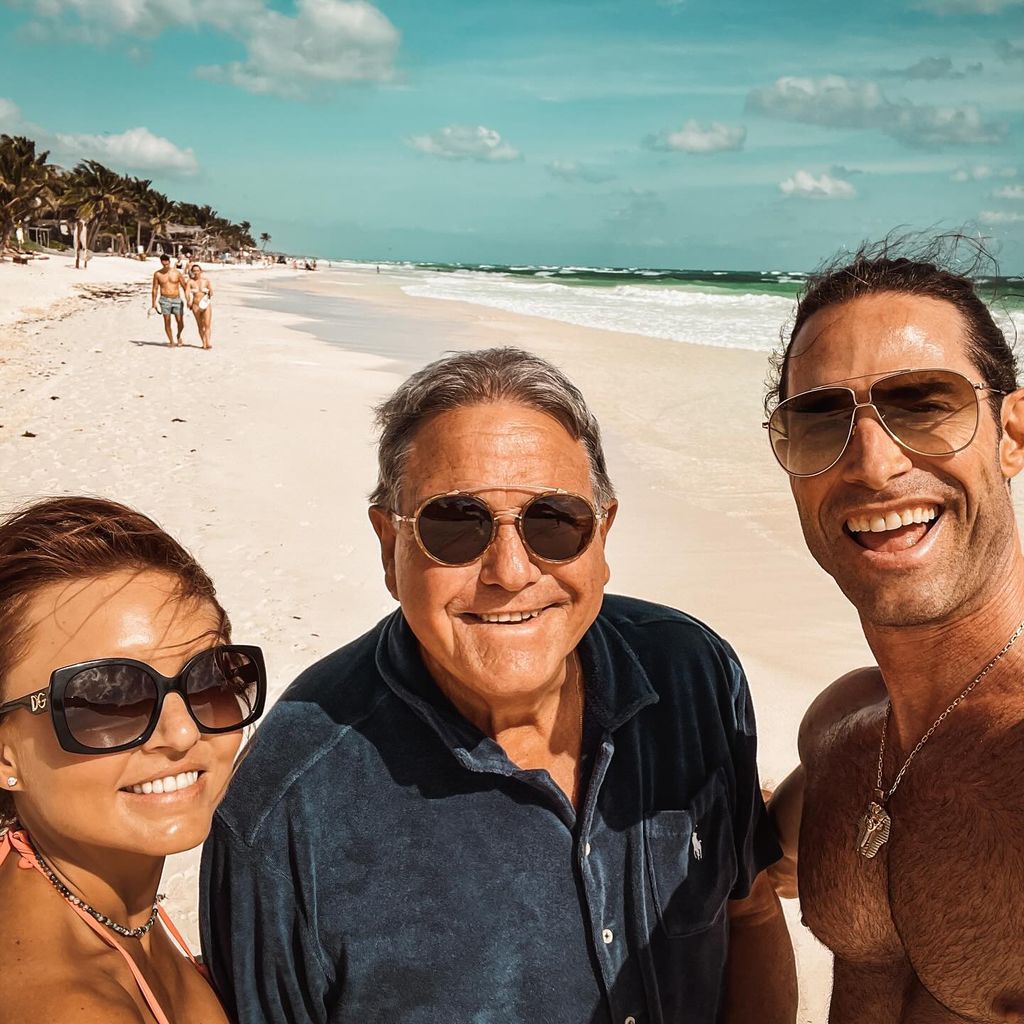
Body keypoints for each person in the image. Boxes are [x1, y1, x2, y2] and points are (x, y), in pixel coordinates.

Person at [201, 347, 795, 1024]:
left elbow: (746, 911)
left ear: (602, 533)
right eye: (455, 525)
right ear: (386, 545)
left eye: (554, 522)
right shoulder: (286, 810)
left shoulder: (693, 675)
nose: (510, 571)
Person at [763, 239, 1024, 1023]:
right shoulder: (845, 734)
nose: (873, 464)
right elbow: (758, 859)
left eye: (924, 403)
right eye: (819, 422)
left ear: (1012, 432)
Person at [0, 496, 267, 1024]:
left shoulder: (101, 899)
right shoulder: (66, 1005)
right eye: (108, 698)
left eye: (210, 679)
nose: (183, 731)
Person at [151, 253, 187, 347]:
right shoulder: (157, 274)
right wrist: (153, 303)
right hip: (164, 300)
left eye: (166, 261)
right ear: (161, 262)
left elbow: (185, 286)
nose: (165, 263)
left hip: (177, 299)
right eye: (163, 261)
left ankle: (178, 335)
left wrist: (189, 299)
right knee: (167, 321)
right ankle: (171, 341)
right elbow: (155, 288)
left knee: (180, 322)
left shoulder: (177, 273)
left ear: (169, 261)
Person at [186, 262, 214, 351]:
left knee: (207, 324)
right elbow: (187, 292)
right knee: (200, 325)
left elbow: (211, 292)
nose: (196, 272)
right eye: (194, 271)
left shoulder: (206, 281)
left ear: (201, 271)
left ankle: (208, 342)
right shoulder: (190, 282)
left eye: (198, 271)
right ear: (192, 272)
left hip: (205, 303)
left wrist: (209, 293)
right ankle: (204, 343)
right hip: (196, 304)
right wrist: (189, 301)